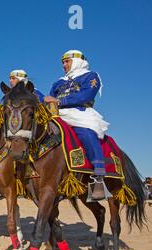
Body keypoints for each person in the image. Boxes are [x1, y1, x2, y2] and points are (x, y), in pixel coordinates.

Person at [44, 49, 109, 200]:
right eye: (63, 63)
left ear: (78, 61)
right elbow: (50, 98)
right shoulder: (59, 82)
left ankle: (98, 176)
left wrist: (60, 101)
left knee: (86, 132)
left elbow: (86, 95)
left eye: (67, 62)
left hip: (80, 113)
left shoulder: (90, 76)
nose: (64, 65)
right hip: (58, 114)